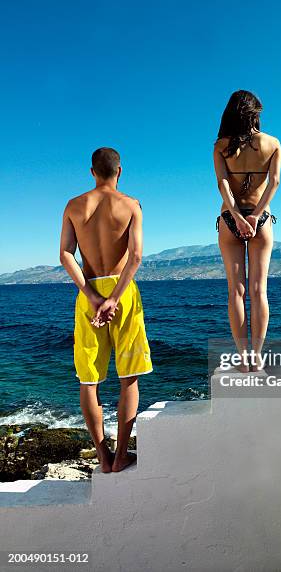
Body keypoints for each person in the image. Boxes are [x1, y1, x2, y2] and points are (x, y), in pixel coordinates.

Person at [59, 147, 152, 473]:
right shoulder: (131, 205)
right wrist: (114, 298)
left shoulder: (73, 206)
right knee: (129, 379)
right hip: (122, 294)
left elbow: (66, 255)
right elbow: (136, 257)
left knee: (89, 381)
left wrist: (92, 294)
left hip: (90, 294)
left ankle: (102, 456)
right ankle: (122, 454)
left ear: (92, 171)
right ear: (119, 171)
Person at [214, 90, 281, 372]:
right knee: (259, 291)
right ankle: (257, 355)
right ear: (255, 113)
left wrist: (236, 216)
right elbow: (274, 182)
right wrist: (254, 217)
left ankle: (242, 357)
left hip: (230, 221)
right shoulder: (273, 143)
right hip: (261, 219)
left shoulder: (221, 146)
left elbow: (223, 185)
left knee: (236, 292)